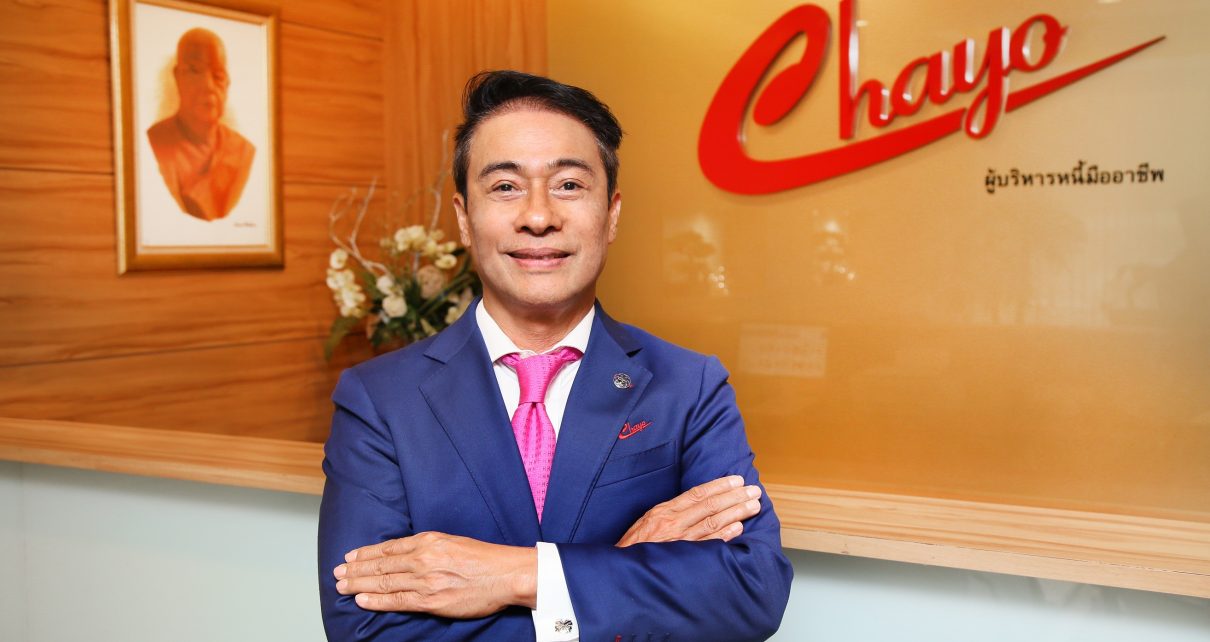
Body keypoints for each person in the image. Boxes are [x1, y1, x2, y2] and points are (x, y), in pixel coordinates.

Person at [318, 70, 792, 641]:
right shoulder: (379, 399)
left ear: (611, 214)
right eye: (505, 187)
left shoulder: (689, 385)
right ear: (464, 218)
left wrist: (523, 575)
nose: (539, 216)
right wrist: (615, 570)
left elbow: (751, 590)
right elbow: (365, 628)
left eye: (568, 184)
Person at [146, 28, 255, 222]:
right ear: (177, 77)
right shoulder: (154, 143)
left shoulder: (243, 151)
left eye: (218, 76)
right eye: (194, 71)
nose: (208, 85)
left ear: (227, 84)